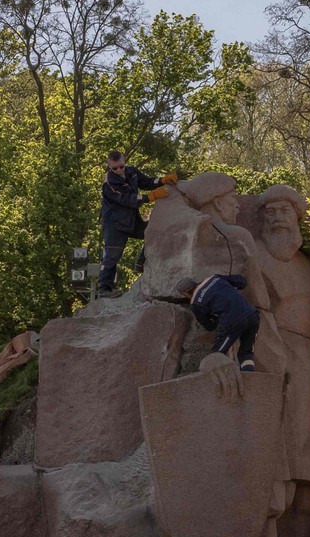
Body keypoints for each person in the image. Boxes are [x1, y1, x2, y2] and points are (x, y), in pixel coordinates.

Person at [97, 152, 168, 296]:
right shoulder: (108, 184)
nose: (119, 170)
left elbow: (147, 182)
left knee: (154, 231)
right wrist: (150, 197)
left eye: (121, 166)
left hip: (132, 221)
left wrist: (163, 180)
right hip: (115, 225)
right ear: (109, 167)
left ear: (124, 162)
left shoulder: (132, 172)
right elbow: (127, 199)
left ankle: (141, 262)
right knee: (112, 256)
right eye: (114, 168)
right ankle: (104, 289)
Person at [174, 274, 260, 372]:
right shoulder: (214, 278)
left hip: (233, 321)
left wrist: (215, 317)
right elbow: (241, 282)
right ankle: (249, 378)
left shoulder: (195, 303)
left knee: (216, 355)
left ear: (185, 293)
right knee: (246, 352)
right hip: (252, 314)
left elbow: (209, 325)